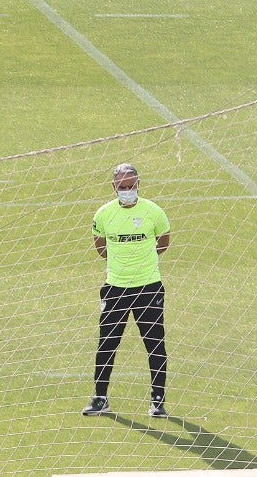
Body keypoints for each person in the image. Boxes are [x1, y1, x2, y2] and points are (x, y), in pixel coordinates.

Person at [83, 163, 171, 419]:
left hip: (149, 286)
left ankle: (158, 400)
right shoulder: (103, 214)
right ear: (114, 187)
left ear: (138, 184)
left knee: (155, 345)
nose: (127, 191)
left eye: (131, 186)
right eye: (122, 187)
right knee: (107, 344)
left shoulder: (154, 212)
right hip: (115, 288)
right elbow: (100, 245)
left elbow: (164, 240)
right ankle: (100, 398)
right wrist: (119, 264)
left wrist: (144, 262)